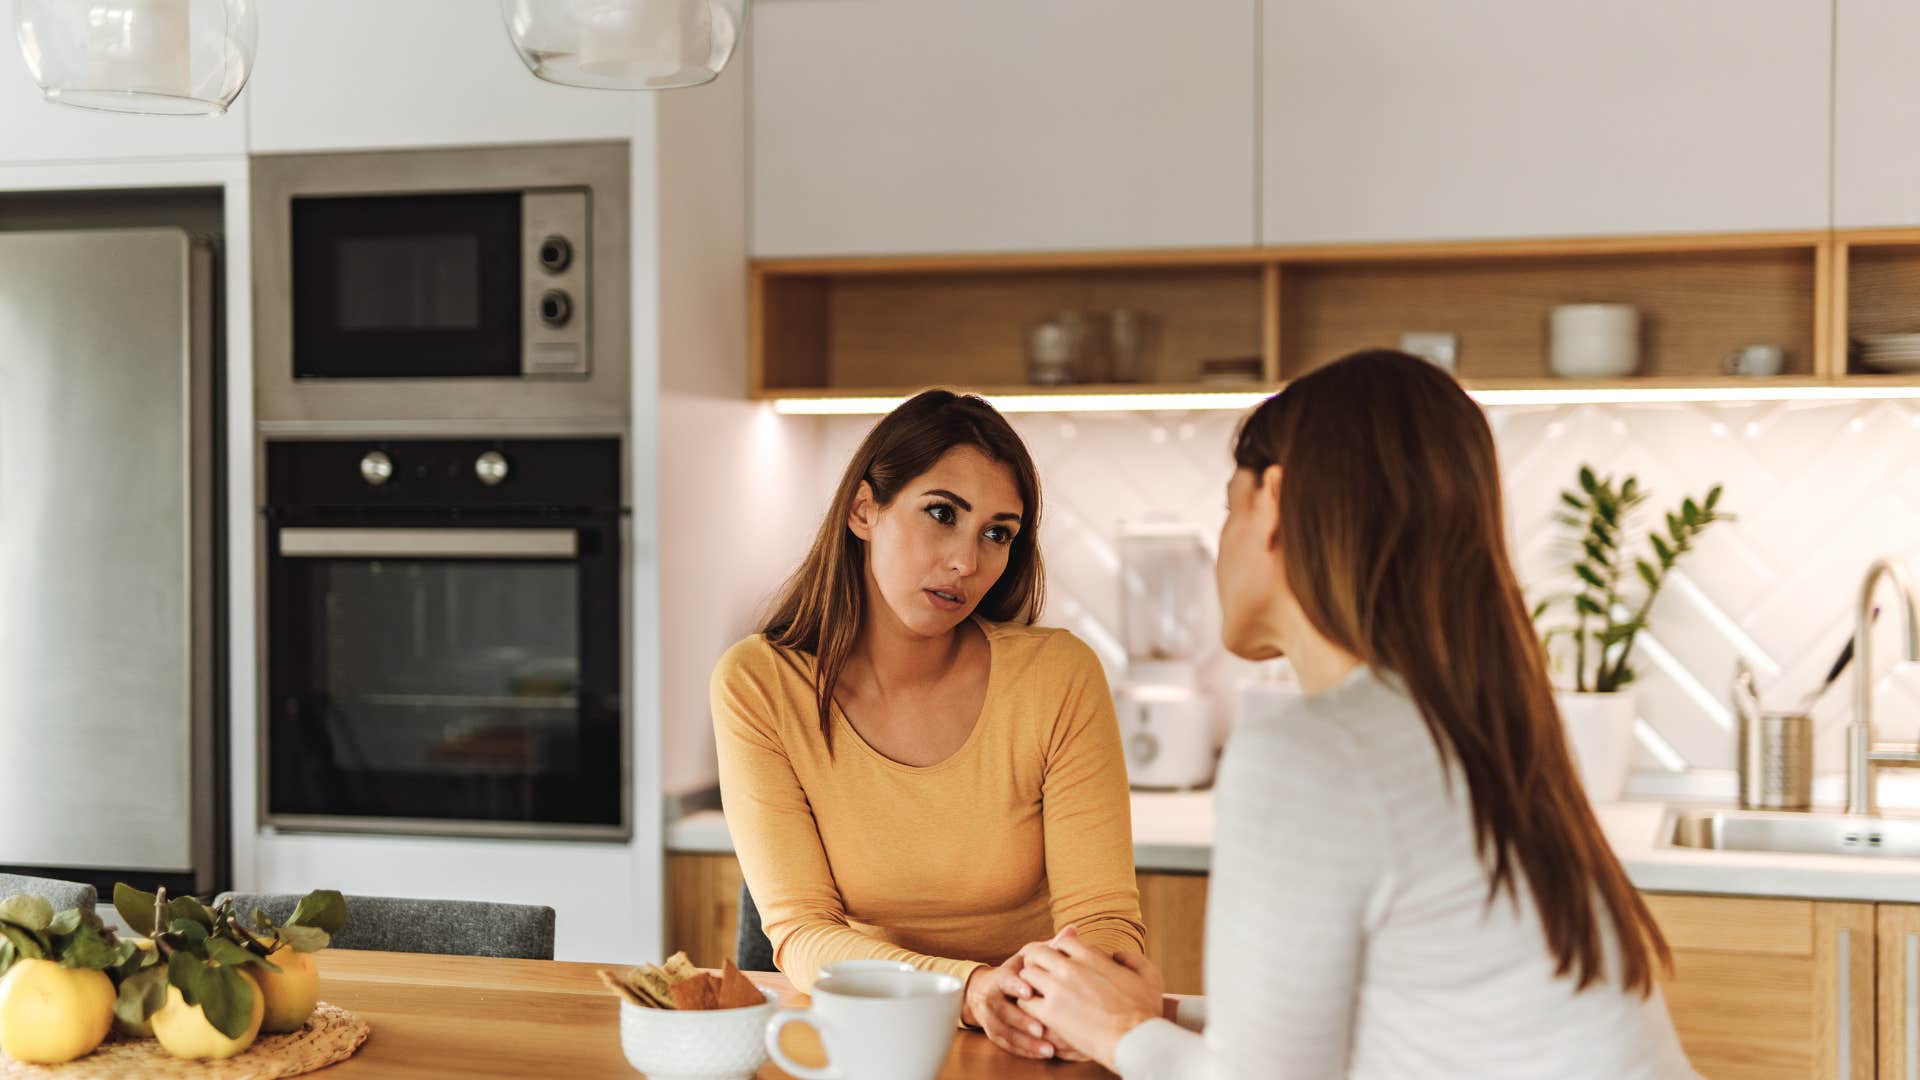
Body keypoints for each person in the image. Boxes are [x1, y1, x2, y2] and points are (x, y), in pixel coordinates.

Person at [1010, 350, 1698, 1078]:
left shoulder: (1311, 752)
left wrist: (1117, 1032)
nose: (1220, 545)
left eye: (1228, 506)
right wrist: (1157, 1016)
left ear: (1272, 503)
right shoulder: (1469, 724)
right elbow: (1364, 1028)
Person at [711, 389, 1145, 1061]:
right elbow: (801, 932)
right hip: (864, 1038)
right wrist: (969, 990)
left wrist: (1065, 997)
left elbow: (1104, 921)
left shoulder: (1057, 675)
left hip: (1032, 1037)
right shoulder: (759, 684)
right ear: (864, 510)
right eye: (942, 514)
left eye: (997, 533)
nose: (967, 562)